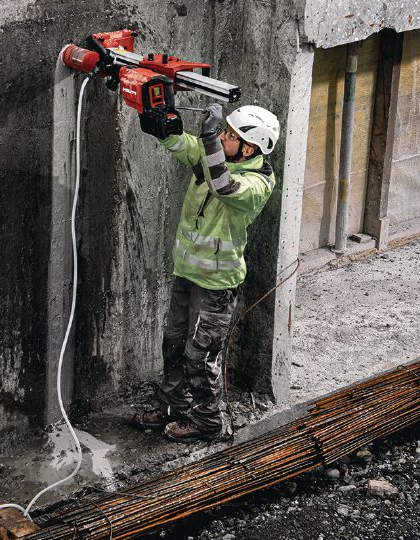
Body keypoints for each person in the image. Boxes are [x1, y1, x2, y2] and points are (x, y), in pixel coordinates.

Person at [132, 102, 281, 442]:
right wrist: (162, 128)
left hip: (216, 284)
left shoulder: (257, 183)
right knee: (172, 344)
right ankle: (174, 406)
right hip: (187, 271)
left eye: (230, 135)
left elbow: (223, 186)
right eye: (224, 131)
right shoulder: (219, 157)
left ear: (249, 148)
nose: (223, 138)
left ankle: (208, 422)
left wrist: (211, 137)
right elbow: (189, 147)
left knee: (200, 355)